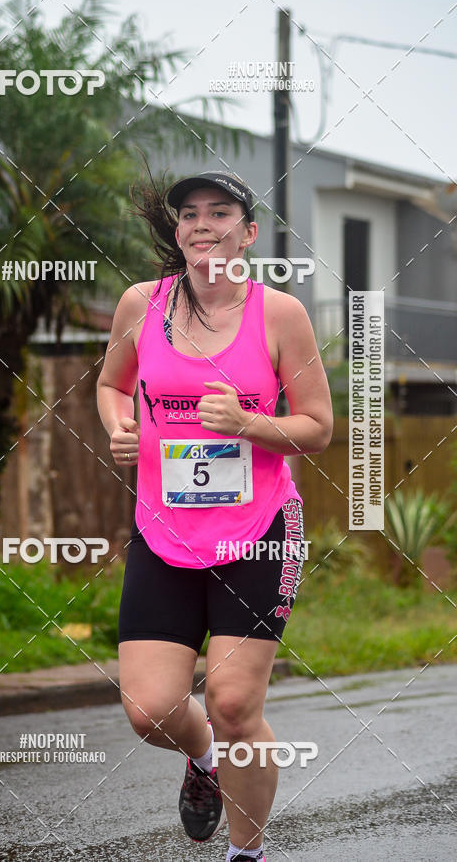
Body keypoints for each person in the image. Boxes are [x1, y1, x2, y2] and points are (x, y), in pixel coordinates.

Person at [96, 169, 333, 862]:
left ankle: (245, 852)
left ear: (248, 232)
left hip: (257, 532)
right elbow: (112, 383)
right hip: (164, 531)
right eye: (190, 214)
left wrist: (249, 423)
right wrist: (118, 426)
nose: (202, 223)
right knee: (149, 711)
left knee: (233, 702)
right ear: (178, 232)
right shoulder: (142, 304)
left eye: (220, 212)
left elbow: (318, 426)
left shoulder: (280, 314)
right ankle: (202, 758)